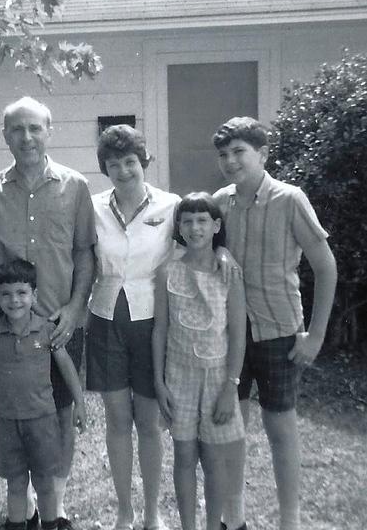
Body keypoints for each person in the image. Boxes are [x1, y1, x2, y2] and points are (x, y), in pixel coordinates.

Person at [0, 96, 96, 530]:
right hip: (10, 329)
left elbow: (84, 253)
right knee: (17, 411)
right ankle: (25, 508)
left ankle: (54, 507)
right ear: (5, 136)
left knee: (59, 415)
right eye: (17, 130)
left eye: (34, 128)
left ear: (49, 131)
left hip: (59, 324)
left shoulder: (75, 186)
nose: (27, 137)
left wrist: (76, 309)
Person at [211, 117, 337, 530]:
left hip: (279, 331)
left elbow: (325, 266)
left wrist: (315, 335)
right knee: (232, 427)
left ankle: (290, 520)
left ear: (262, 154)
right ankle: (236, 517)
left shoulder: (289, 199)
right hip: (232, 333)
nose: (231, 162)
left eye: (239, 152)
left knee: (280, 426)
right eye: (224, 155)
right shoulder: (220, 202)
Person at [85, 124, 179, 530]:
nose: (123, 171)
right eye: (113, 164)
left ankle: (152, 514)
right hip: (106, 318)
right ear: (104, 169)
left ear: (144, 162)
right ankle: (125, 512)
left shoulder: (171, 206)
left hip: (153, 322)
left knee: (150, 422)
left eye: (130, 162)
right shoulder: (90, 207)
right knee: (117, 419)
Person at [0, 259, 87, 530]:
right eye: (6, 294)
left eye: (22, 293)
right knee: (16, 483)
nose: (14, 300)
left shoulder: (46, 329)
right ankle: (16, 524)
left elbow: (67, 368)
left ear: (35, 295)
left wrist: (79, 402)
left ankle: (50, 524)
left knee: (45, 482)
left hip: (42, 420)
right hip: (7, 421)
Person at [152, 192, 247, 530]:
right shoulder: (167, 272)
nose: (195, 228)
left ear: (216, 225)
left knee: (215, 460)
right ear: (178, 226)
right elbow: (160, 329)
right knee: (184, 457)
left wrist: (230, 387)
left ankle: (213, 526)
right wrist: (159, 382)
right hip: (179, 378)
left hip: (219, 379)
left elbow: (237, 334)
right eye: (187, 221)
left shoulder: (229, 274)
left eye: (202, 221)